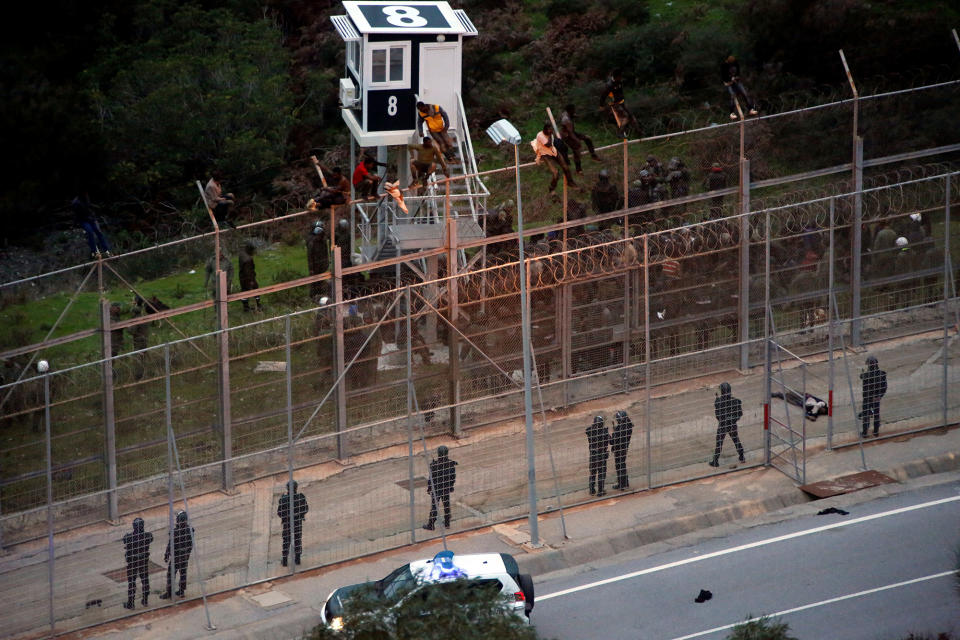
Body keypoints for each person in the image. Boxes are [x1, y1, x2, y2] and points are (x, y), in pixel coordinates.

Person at [532, 122, 576, 193]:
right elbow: (548, 144)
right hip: (545, 154)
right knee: (555, 173)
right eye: (549, 130)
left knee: (565, 167)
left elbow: (553, 144)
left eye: (551, 130)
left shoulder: (551, 135)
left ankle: (570, 182)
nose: (550, 131)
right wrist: (550, 135)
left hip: (553, 151)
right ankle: (552, 188)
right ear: (544, 130)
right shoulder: (540, 135)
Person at [160, 510, 194, 599]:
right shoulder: (190, 530)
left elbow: (170, 544)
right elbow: (191, 545)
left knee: (171, 574)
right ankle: (181, 591)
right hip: (185, 556)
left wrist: (167, 554)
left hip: (176, 557)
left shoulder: (175, 532)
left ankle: (169, 592)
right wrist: (187, 553)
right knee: (183, 573)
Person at [122, 517, 154, 609]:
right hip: (143, 562)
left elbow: (124, 540)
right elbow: (151, 538)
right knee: (145, 581)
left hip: (132, 563)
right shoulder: (148, 536)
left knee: (132, 582)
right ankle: (145, 600)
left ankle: (131, 603)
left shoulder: (129, 538)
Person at [559, 104, 600, 173]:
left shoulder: (566, 113)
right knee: (577, 150)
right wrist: (577, 140)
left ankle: (593, 155)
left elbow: (572, 130)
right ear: (570, 110)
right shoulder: (566, 120)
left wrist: (574, 116)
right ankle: (578, 170)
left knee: (588, 138)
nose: (575, 111)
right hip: (567, 136)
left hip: (572, 132)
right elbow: (570, 133)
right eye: (573, 110)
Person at [711, 381, 745, 466]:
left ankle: (715, 461)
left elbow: (718, 416)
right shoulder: (736, 401)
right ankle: (741, 456)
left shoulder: (718, 402)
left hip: (723, 425)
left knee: (719, 442)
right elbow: (740, 414)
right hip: (732, 425)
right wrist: (732, 420)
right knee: (736, 440)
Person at [424, 445, 457, 530]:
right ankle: (447, 523)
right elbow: (453, 477)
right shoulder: (450, 464)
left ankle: (431, 524)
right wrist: (451, 486)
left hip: (437, 489)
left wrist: (429, 488)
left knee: (435, 506)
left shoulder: (434, 465)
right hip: (446, 488)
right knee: (446, 505)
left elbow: (431, 478)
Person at [277, 480, 309, 566]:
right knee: (298, 539)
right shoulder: (300, 497)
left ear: (287, 488)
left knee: (286, 540)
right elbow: (305, 509)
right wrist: (298, 515)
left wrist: (286, 517)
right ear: (296, 488)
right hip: (297, 522)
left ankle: (285, 560)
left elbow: (279, 513)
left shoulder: (283, 499)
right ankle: (297, 559)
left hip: (287, 523)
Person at [71, 193, 111, 259]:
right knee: (90, 232)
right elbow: (76, 215)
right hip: (83, 221)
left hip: (91, 218)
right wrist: (74, 225)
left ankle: (107, 250)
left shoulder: (86, 197)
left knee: (99, 232)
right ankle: (94, 252)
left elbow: (90, 208)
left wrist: (94, 218)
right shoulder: (76, 203)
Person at [720, 55, 758, 120]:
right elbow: (723, 77)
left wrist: (736, 78)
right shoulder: (724, 65)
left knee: (745, 93)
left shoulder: (736, 63)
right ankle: (732, 113)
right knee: (732, 96)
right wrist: (730, 80)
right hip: (728, 83)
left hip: (737, 82)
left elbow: (738, 73)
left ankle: (751, 109)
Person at [601, 69, 636, 138]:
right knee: (625, 118)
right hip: (615, 104)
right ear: (616, 76)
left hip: (621, 102)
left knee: (630, 115)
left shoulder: (619, 82)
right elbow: (604, 95)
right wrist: (601, 105)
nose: (621, 78)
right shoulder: (609, 85)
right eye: (620, 76)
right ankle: (620, 133)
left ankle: (638, 131)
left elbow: (620, 91)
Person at [860, 355, 887, 437]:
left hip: (867, 398)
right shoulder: (882, 374)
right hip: (876, 398)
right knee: (876, 414)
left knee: (866, 415)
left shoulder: (866, 375)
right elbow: (884, 387)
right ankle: (876, 432)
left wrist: (862, 372)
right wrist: (879, 396)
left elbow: (861, 376)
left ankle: (865, 433)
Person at [585, 415, 610, 496]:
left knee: (592, 473)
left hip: (593, 455)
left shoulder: (590, 431)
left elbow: (588, 430)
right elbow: (611, 441)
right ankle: (600, 491)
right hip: (601, 455)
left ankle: (591, 490)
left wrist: (595, 426)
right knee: (601, 473)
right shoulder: (604, 432)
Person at [306, 220, 329, 300]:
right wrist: (311, 269)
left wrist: (326, 262)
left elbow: (326, 252)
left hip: (321, 264)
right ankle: (313, 296)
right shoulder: (312, 242)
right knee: (314, 282)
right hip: (315, 265)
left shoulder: (323, 240)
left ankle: (320, 295)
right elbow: (310, 256)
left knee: (321, 281)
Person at [611, 410, 634, 490]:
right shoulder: (628, 425)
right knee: (622, 465)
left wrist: (613, 434)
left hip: (619, 449)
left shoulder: (621, 429)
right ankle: (625, 483)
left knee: (619, 466)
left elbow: (613, 441)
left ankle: (621, 484)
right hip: (624, 448)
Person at [238, 241, 262, 312]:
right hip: (248, 278)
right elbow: (248, 271)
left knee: (244, 291)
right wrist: (251, 281)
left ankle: (245, 306)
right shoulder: (248, 260)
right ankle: (257, 305)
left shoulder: (242, 254)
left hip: (242, 277)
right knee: (256, 289)